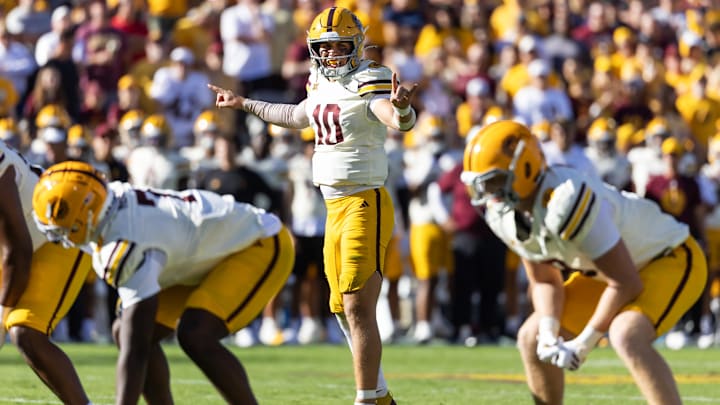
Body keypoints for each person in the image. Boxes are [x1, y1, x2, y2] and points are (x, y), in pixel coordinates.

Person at [208, 6, 417, 404]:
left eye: (340, 46)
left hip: (363, 201)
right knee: (340, 306)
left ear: (356, 45)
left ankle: (364, 398)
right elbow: (295, 115)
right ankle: (381, 396)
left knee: (357, 303)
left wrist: (403, 108)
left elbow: (394, 117)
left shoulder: (369, 78)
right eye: (326, 47)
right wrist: (242, 103)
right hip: (331, 206)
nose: (333, 54)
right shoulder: (319, 82)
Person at [460, 120, 707, 405]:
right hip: (608, 272)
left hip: (668, 256)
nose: (488, 195)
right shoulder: (505, 214)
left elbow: (626, 282)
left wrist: (584, 343)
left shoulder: (565, 198)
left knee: (626, 334)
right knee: (533, 337)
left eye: (494, 182)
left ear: (525, 168)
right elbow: (544, 280)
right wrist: (550, 333)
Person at [32, 160, 295, 405]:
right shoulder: (111, 200)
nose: (57, 231)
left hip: (255, 243)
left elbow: (135, 352)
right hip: (197, 251)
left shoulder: (126, 242)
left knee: (195, 335)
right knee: (122, 330)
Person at [0, 141, 94, 404]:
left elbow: (18, 251)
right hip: (19, 245)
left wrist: (2, 312)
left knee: (24, 329)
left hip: (59, 233)